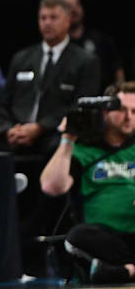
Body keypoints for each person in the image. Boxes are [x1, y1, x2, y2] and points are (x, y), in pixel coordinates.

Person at [40, 82, 135, 283]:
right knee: (78, 236)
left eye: (134, 111)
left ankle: (125, 271)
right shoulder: (82, 151)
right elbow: (52, 187)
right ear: (104, 112)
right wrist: (67, 139)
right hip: (105, 239)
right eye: (121, 110)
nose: (128, 117)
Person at [0, 0, 100, 157]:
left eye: (53, 17)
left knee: (58, 146)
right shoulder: (21, 58)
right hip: (16, 136)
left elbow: (80, 108)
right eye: (43, 18)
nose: (47, 23)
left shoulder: (85, 61)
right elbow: (3, 102)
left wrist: (40, 127)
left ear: (68, 21)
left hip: (55, 136)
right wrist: (8, 129)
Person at [62, 0, 123, 92]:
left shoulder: (100, 39)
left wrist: (120, 92)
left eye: (77, 4)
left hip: (102, 99)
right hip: (69, 102)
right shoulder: (58, 45)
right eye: (68, 6)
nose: (74, 9)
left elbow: (117, 68)